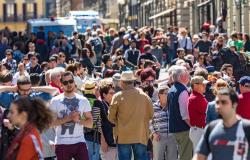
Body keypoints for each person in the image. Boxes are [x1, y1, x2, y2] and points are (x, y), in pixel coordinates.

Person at [193, 88, 250, 160]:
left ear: (234, 104)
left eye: (224, 102)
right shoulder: (211, 128)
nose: (219, 106)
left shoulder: (247, 128)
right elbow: (199, 156)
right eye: (217, 102)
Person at [108, 71, 153, 160]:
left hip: (123, 136)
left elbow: (110, 118)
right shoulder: (144, 96)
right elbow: (151, 115)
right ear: (133, 81)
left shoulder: (117, 96)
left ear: (122, 82)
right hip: (140, 135)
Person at [50, 71, 93, 160]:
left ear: (74, 82)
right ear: (61, 85)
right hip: (62, 143)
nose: (69, 84)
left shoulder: (83, 100)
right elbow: (51, 123)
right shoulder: (55, 101)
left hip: (80, 142)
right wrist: (69, 118)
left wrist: (78, 120)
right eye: (65, 83)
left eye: (70, 81)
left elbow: (90, 123)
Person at [167, 65, 193, 160]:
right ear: (181, 77)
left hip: (175, 129)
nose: (188, 75)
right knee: (185, 156)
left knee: (182, 155)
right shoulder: (182, 91)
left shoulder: (172, 89)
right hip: (183, 129)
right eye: (186, 73)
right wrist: (193, 127)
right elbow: (185, 115)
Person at [150, 82, 177, 160]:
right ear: (159, 95)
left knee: (173, 158)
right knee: (158, 158)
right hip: (159, 136)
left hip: (172, 136)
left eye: (169, 93)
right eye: (166, 93)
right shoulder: (153, 107)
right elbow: (149, 121)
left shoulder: (173, 105)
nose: (168, 95)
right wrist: (154, 133)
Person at [82, 80, 102, 160]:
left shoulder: (81, 101)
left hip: (81, 133)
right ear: (94, 90)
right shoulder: (97, 102)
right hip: (94, 135)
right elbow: (100, 120)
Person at [188, 76, 208, 150]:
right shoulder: (195, 98)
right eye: (203, 84)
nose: (205, 86)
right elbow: (208, 111)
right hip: (198, 131)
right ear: (195, 85)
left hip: (199, 130)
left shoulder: (199, 96)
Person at [99, 78, 117, 160]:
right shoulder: (100, 105)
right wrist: (103, 142)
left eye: (114, 92)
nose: (114, 95)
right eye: (111, 93)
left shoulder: (114, 104)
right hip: (107, 144)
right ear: (104, 95)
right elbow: (98, 126)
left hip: (116, 143)